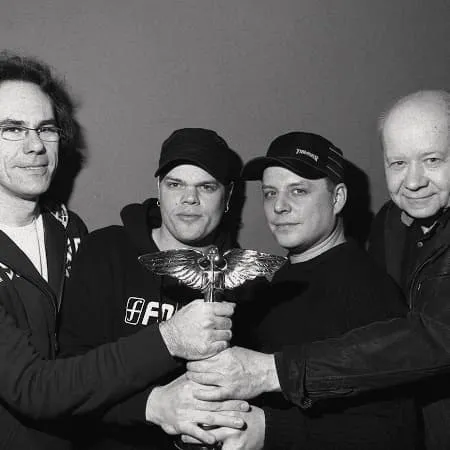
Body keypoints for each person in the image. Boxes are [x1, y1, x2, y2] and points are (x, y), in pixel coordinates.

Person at [0, 53, 240, 450]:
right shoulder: (107, 248)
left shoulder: (69, 231)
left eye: (45, 128)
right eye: (11, 128)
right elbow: (33, 388)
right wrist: (167, 346)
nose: (35, 145)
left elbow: (80, 367)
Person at [186, 90, 450, 449]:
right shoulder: (388, 228)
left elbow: (395, 429)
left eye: (298, 191)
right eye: (270, 193)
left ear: (337, 198)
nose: (279, 206)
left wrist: (269, 428)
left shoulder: (362, 286)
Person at [58, 128, 255, 449]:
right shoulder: (106, 251)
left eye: (206, 187)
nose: (189, 199)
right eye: (175, 184)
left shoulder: (245, 281)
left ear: (228, 195)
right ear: (159, 188)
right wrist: (150, 406)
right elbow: (68, 377)